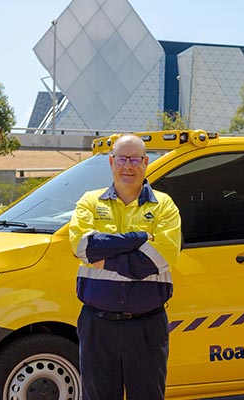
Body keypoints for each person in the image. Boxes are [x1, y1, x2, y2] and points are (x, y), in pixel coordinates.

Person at [69, 134, 181, 400]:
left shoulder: (164, 205)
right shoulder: (89, 202)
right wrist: (139, 238)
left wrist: (105, 257)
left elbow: (158, 259)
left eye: (134, 159)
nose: (128, 166)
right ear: (111, 162)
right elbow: (83, 247)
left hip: (146, 326)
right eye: (122, 159)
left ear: (145, 162)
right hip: (97, 326)